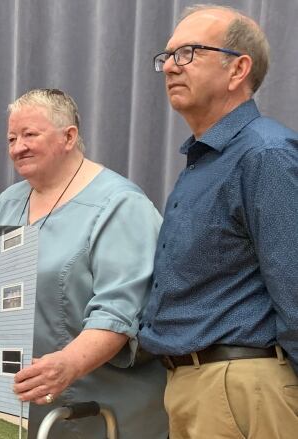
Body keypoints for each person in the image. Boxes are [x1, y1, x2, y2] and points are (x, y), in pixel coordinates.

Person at [140, 4, 298, 438]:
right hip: (195, 389)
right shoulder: (206, 160)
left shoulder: (266, 155)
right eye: (167, 56)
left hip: (242, 389)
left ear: (238, 69)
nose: (170, 66)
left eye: (188, 53)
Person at [0, 89, 167, 439]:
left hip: (99, 409)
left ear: (69, 137)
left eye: (29, 135)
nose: (17, 147)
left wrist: (68, 365)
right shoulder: (9, 202)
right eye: (11, 138)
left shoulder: (120, 205)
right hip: (27, 411)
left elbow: (117, 311)